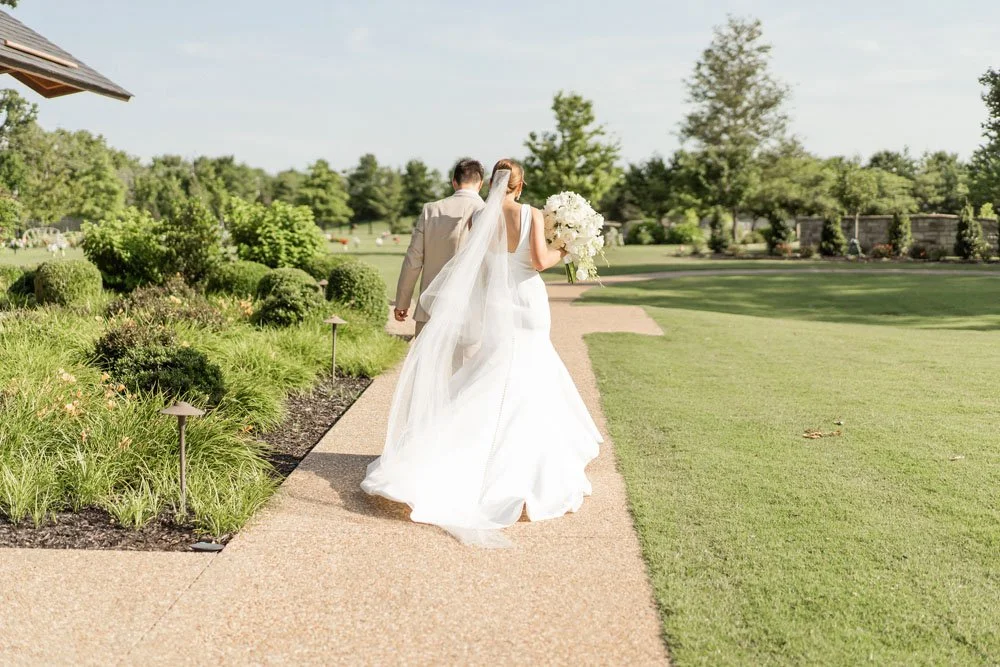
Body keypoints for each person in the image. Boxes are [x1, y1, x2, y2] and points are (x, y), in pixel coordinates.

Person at [362, 159, 602, 547]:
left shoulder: (477, 219)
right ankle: (523, 465)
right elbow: (539, 262)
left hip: (496, 306)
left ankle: (460, 453)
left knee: (495, 369)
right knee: (529, 374)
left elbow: (478, 269)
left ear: (493, 183)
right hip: (527, 302)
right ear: (520, 186)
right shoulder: (530, 214)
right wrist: (566, 247)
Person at [394, 158, 485, 336]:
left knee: (426, 355)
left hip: (430, 308)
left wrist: (402, 303)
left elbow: (413, 261)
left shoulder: (431, 210)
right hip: (472, 311)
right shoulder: (488, 212)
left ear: (454, 182)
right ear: (480, 184)